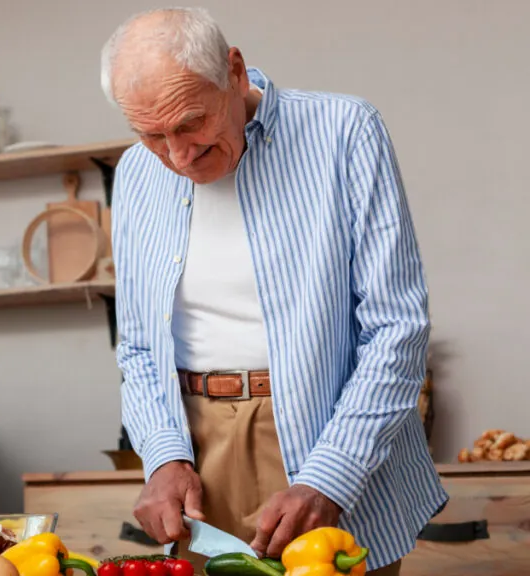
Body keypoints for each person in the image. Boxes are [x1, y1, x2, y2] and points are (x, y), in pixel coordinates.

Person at [101, 8, 447, 575]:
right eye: (152, 135)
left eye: (191, 123)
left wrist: (329, 476)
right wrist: (162, 457)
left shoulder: (345, 131)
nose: (179, 157)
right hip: (198, 455)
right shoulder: (137, 173)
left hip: (331, 437)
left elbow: (397, 327)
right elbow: (139, 347)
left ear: (234, 71)